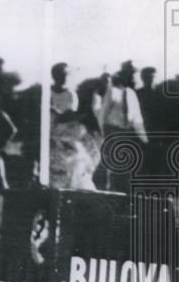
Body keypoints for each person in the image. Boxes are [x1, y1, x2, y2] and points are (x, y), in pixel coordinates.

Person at [94, 60, 148, 192]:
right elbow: (102, 115)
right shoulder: (112, 92)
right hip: (112, 132)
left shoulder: (132, 94)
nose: (133, 77)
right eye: (130, 74)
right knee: (112, 167)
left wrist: (145, 139)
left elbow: (137, 118)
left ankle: (123, 198)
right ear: (124, 75)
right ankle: (109, 193)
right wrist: (104, 135)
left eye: (134, 74)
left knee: (126, 168)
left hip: (127, 134)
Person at [49, 62, 100, 190]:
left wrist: (56, 113)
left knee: (74, 159)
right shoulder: (47, 92)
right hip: (49, 130)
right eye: (61, 74)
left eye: (66, 74)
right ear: (55, 75)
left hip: (64, 130)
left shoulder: (70, 94)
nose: (64, 77)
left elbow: (70, 115)